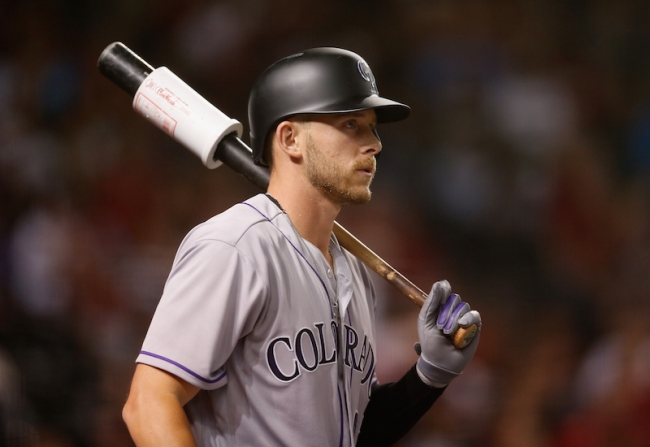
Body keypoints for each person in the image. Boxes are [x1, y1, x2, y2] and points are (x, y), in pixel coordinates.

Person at [122, 47, 482, 447]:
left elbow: (353, 434)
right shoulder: (236, 247)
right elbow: (149, 404)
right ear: (290, 139)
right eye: (351, 124)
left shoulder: (354, 273)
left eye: (372, 127)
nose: (374, 144)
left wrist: (428, 376)